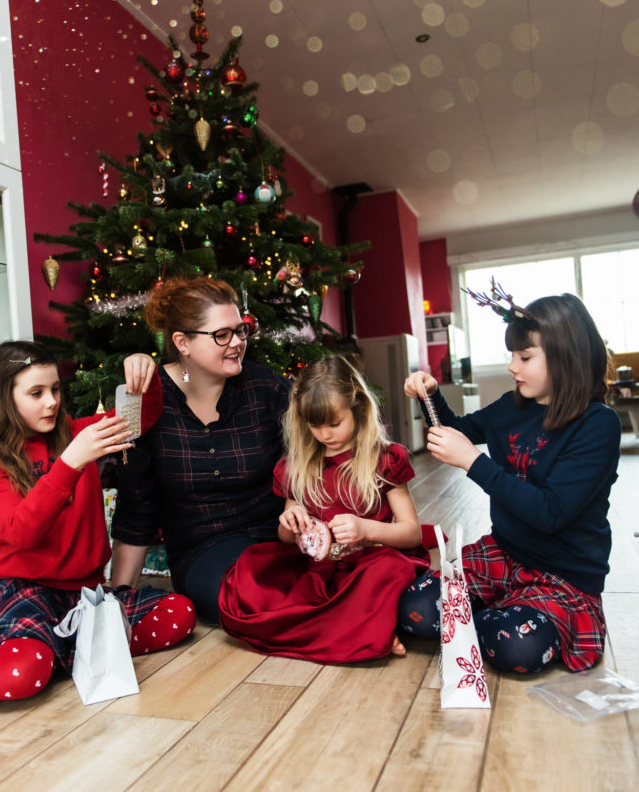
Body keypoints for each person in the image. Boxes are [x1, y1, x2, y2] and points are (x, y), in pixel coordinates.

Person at [0, 340, 196, 711]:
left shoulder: (79, 433)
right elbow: (20, 532)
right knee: (23, 674)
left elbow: (140, 418)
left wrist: (143, 374)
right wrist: (70, 463)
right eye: (36, 393)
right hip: (27, 591)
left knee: (178, 613)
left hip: (85, 595)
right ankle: (46, 652)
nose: (51, 401)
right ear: (4, 397)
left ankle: (56, 649)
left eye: (54, 389)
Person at [400, 288, 621, 674]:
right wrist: (430, 395)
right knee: (415, 611)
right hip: (505, 554)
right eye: (512, 356)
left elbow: (550, 513)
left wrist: (473, 462)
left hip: (564, 574)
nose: (512, 367)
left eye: (525, 357)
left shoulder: (597, 424)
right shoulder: (511, 405)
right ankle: (506, 604)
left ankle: (508, 609)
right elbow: (457, 429)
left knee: (516, 648)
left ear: (565, 357)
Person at [218, 354, 431, 663]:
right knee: (250, 568)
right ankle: (365, 627)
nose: (326, 434)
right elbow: (287, 538)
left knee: (388, 570)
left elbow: (411, 533)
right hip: (319, 568)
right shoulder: (296, 466)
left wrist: (366, 528)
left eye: (334, 423)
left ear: (357, 408)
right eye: (315, 425)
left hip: (370, 561)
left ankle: (363, 628)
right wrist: (291, 522)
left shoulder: (384, 459)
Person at [110, 277, 292, 622]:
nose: (238, 342)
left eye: (241, 330)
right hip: (204, 552)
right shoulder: (145, 399)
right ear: (182, 342)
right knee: (250, 600)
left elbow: (317, 452)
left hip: (278, 537)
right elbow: (136, 511)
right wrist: (119, 603)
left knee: (313, 580)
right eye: (222, 335)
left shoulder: (266, 386)